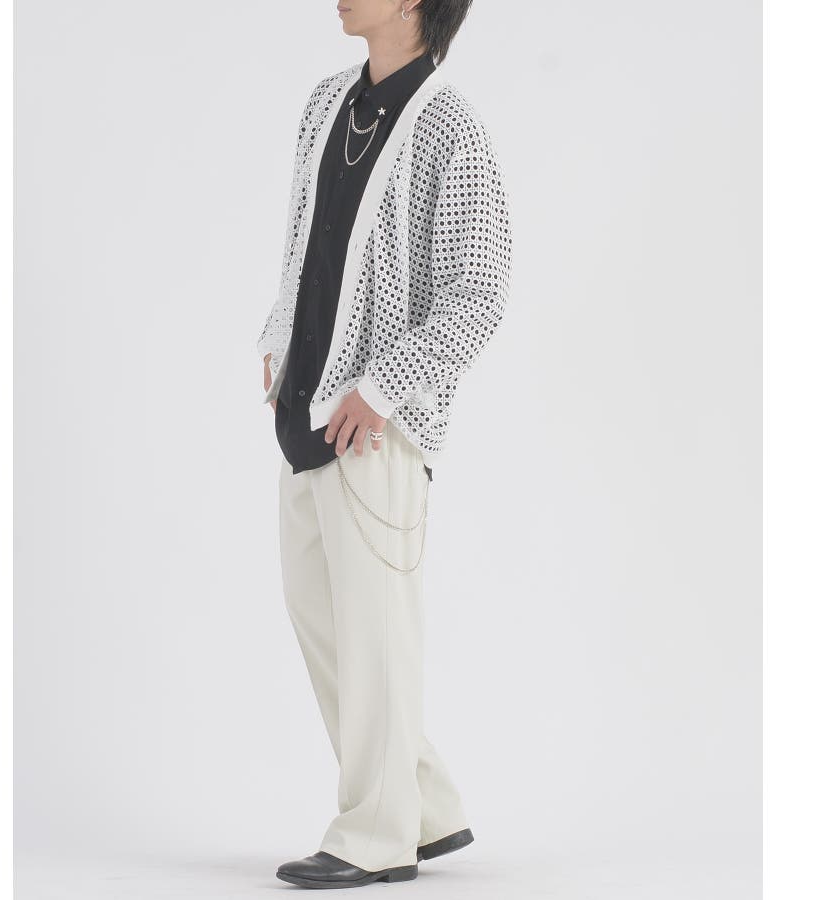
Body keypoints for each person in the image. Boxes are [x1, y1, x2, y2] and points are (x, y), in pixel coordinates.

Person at [256, 0, 513, 889]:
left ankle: (376, 835)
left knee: (375, 635)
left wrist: (382, 386)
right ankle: (425, 805)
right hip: (305, 408)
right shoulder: (326, 103)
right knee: (319, 615)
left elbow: (479, 292)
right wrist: (278, 335)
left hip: (376, 428)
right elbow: (303, 246)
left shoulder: (450, 128)